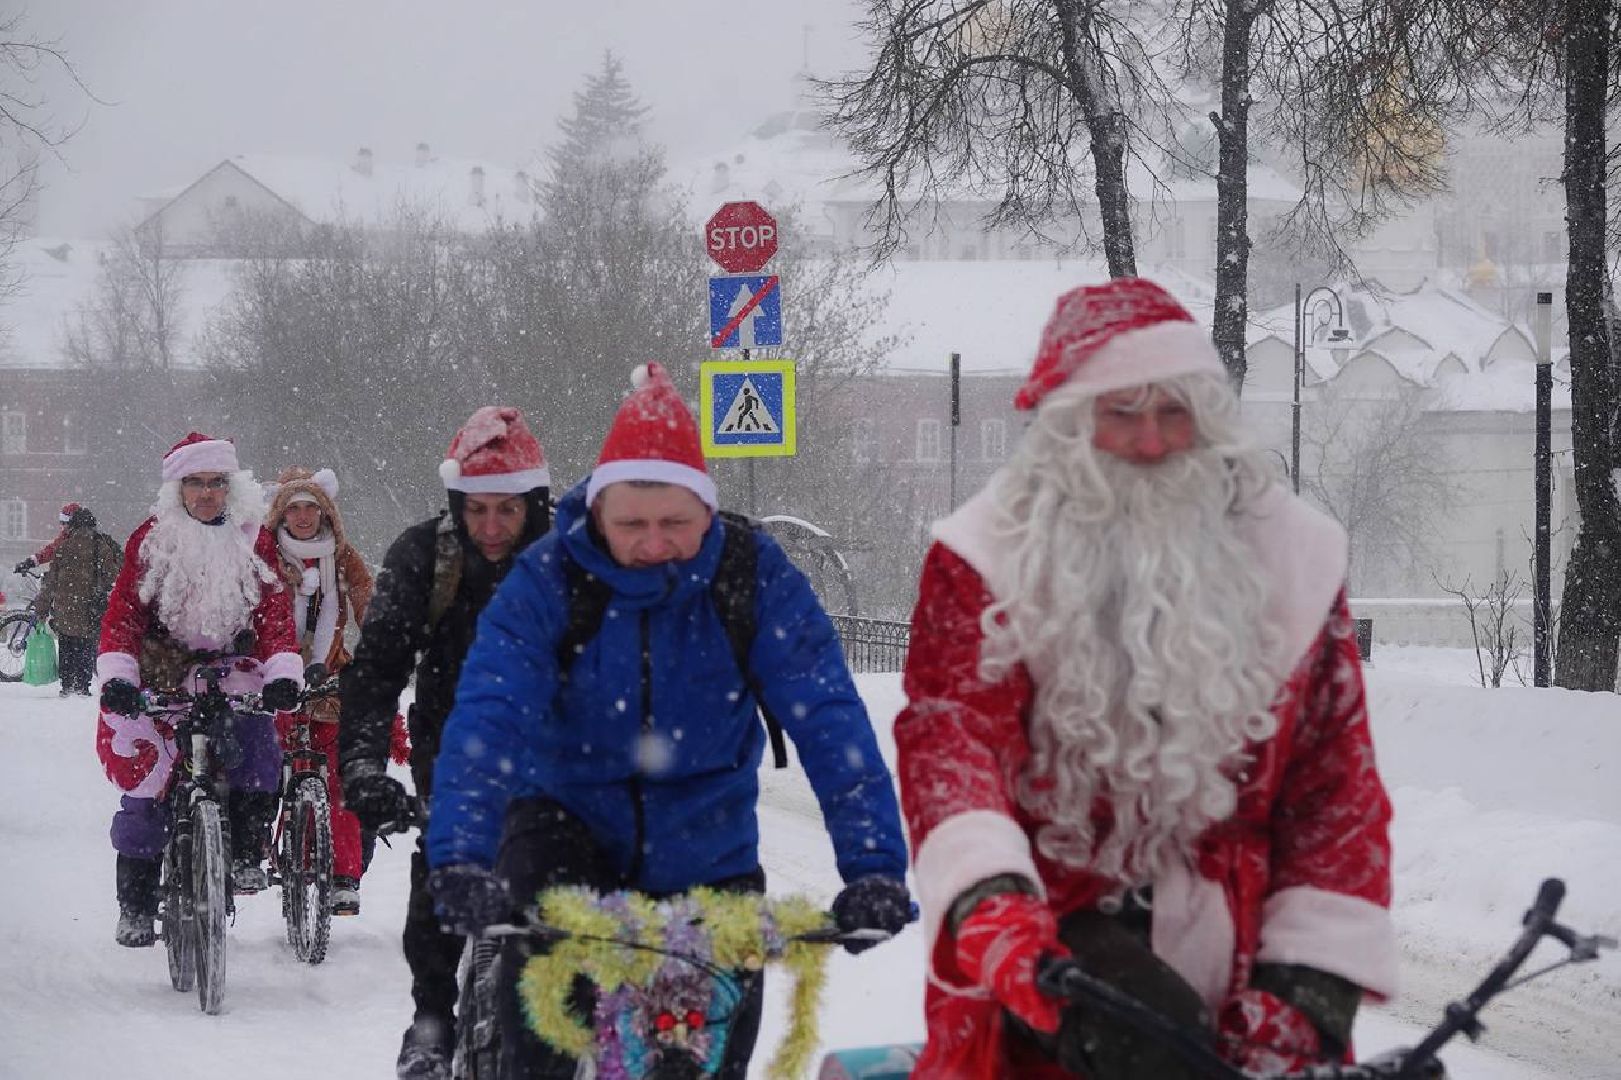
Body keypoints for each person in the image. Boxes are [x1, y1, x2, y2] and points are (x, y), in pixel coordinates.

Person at [893, 278, 1397, 1079]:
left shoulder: (1294, 557)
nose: (1154, 442)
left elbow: (1334, 785)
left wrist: (1311, 980)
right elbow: (952, 746)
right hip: (1052, 953)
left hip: (1245, 950)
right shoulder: (983, 557)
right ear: (1067, 428)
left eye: (1174, 412)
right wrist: (997, 911)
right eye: (1120, 413)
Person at [423, 363, 913, 1080]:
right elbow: (489, 714)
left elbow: (829, 716)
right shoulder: (549, 577)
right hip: (565, 826)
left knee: (709, 1053)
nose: (653, 543)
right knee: (542, 1041)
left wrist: (873, 867)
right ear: (597, 512)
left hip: (707, 844)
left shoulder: (753, 575)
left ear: (708, 513)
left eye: (675, 524)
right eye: (632, 524)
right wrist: (461, 856)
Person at [337, 406, 553, 1080]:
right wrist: (365, 763)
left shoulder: (572, 555)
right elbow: (376, 669)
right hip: (454, 737)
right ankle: (432, 1017)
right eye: (476, 509)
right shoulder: (426, 555)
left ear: (536, 504)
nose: (490, 528)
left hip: (559, 738)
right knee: (444, 859)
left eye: (507, 511)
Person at [96, 433, 303, 948]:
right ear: (178, 487)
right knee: (147, 786)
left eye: (216, 483)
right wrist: (120, 676)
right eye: (196, 483)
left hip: (230, 665)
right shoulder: (151, 539)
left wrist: (280, 671)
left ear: (229, 487)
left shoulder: (252, 538)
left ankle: (246, 850)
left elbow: (274, 612)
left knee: (257, 748)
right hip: (161, 668)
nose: (207, 494)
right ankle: (138, 904)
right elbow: (123, 613)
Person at [266, 466, 375, 916]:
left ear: (325, 511)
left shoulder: (343, 556)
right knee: (260, 774)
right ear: (281, 513)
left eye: (312, 507)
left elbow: (368, 599)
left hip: (330, 681)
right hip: (272, 681)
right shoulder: (265, 555)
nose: (304, 516)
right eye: (294, 508)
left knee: (341, 781)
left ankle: (344, 875)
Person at [33, 505, 123, 696]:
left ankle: (66, 686)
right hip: (90, 608)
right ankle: (82, 686)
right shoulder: (100, 546)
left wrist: (42, 607)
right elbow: (113, 574)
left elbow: (50, 580)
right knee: (86, 646)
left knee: (66, 645)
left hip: (64, 608)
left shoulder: (63, 547)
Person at [12, 502, 84, 574]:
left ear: (73, 522)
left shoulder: (84, 539)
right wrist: (30, 562)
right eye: (61, 522)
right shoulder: (66, 535)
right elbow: (52, 550)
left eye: (64, 523)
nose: (62, 526)